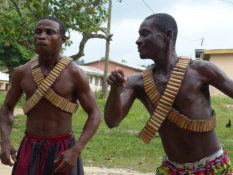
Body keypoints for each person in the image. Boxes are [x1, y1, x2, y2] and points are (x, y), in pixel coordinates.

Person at [104, 13, 233, 174]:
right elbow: (112, 121)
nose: (138, 40)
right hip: (172, 169)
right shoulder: (137, 83)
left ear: (167, 35)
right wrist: (115, 90)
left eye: (145, 33)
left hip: (212, 167)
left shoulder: (200, 70)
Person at [0, 16, 101, 175]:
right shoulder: (22, 73)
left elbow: (95, 113)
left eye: (49, 32)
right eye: (38, 32)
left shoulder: (75, 73)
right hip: (29, 146)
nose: (41, 36)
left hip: (63, 149)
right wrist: (4, 141)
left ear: (62, 39)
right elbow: (6, 107)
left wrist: (76, 150)